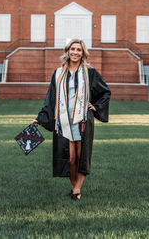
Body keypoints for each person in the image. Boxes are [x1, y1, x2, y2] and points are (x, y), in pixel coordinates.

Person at [32, 39, 111, 200]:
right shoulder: (58, 73)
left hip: (82, 119)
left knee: (81, 156)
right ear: (67, 51)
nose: (75, 52)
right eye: (72, 49)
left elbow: (105, 92)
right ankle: (74, 186)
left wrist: (95, 106)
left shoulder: (90, 73)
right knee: (70, 157)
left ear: (83, 53)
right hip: (63, 120)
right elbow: (51, 97)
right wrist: (40, 118)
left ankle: (77, 190)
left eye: (79, 50)